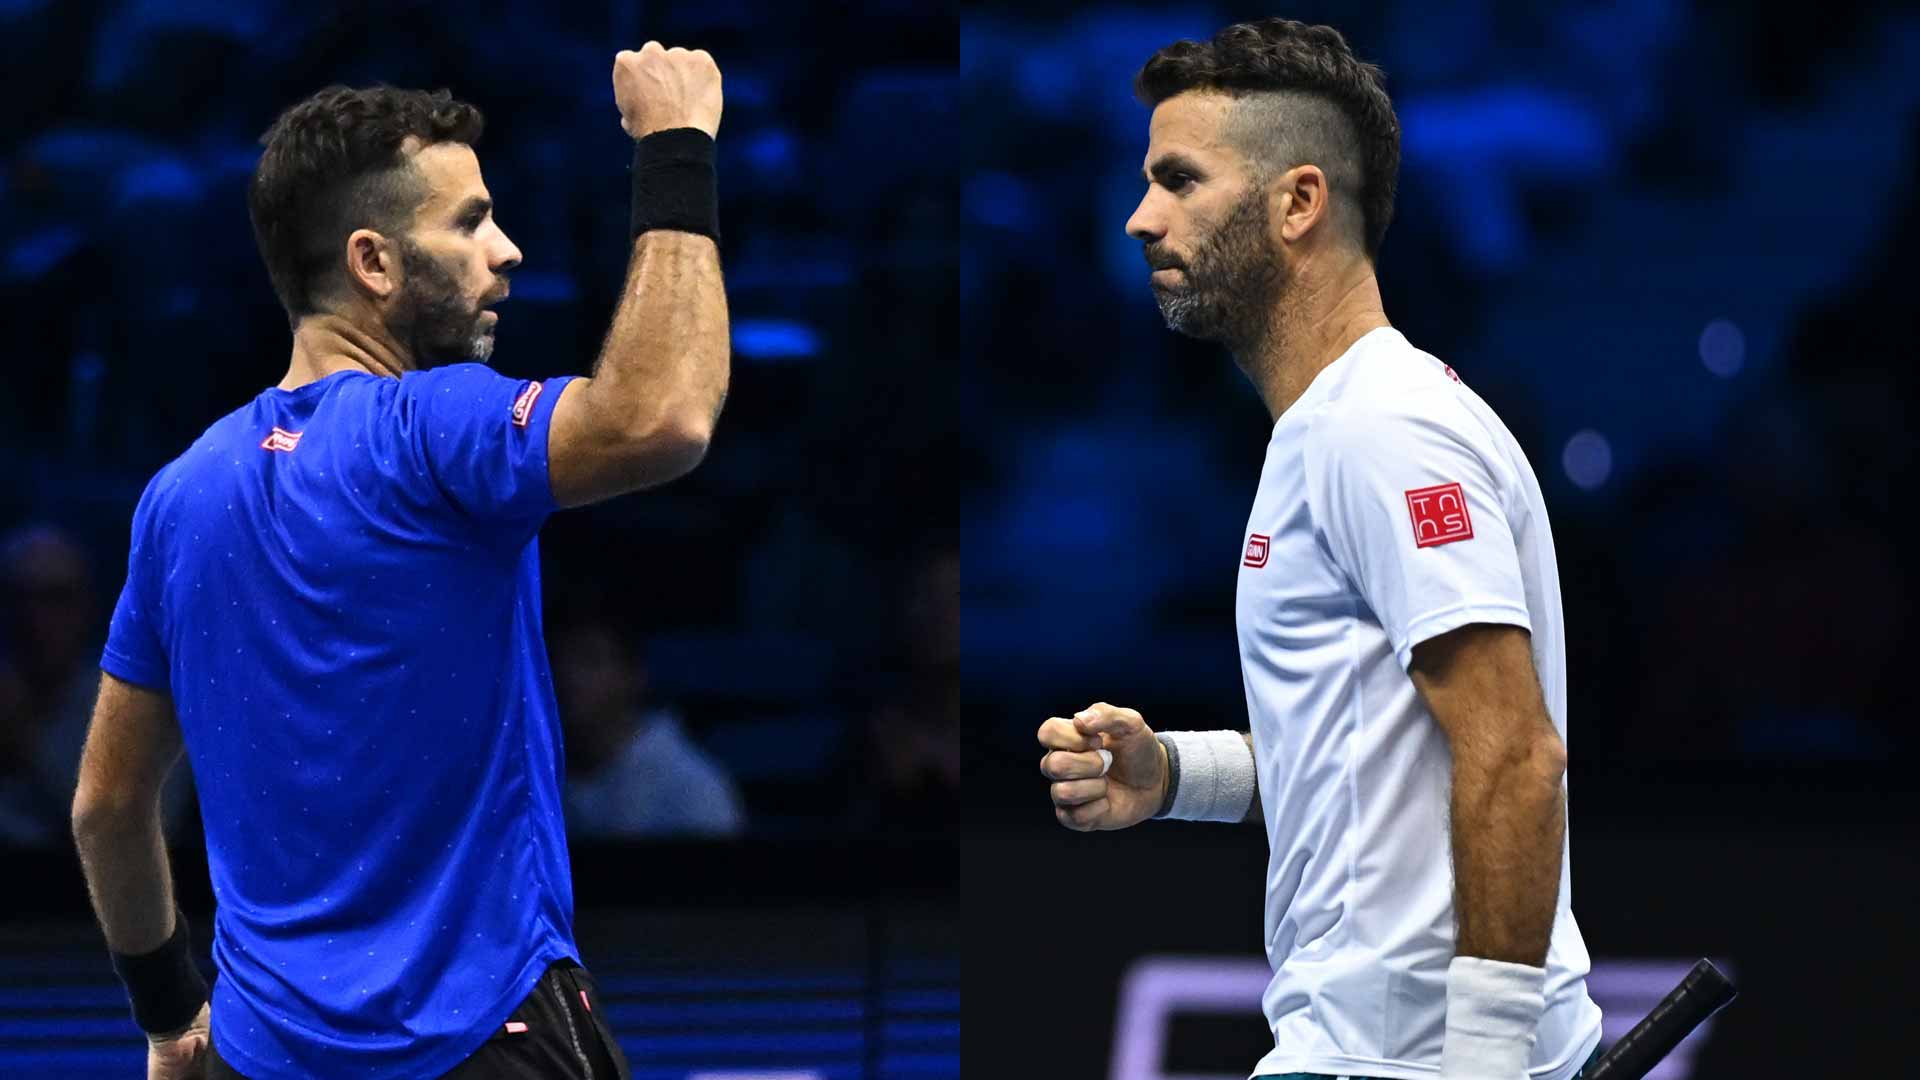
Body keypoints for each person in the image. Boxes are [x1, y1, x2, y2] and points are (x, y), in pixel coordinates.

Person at [69, 42, 729, 1080]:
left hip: (258, 1058)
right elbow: (666, 416)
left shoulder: (177, 497)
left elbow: (108, 808)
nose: (506, 250)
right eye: (469, 223)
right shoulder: (436, 429)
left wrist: (167, 1018)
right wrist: (676, 148)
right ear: (374, 263)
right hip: (484, 1043)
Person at [1035, 19, 1604, 1080]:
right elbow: (1365, 752)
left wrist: (1483, 1068)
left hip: (1404, 1062)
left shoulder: (1380, 429)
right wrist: (1173, 774)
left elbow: (1517, 758)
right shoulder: (1335, 428)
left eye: (1179, 181)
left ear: (1299, 203)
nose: (1139, 218)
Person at [550, 616, 746, 838]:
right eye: (555, 659)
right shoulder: (533, 781)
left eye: (589, 660)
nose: (566, 675)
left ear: (633, 676)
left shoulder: (691, 789)